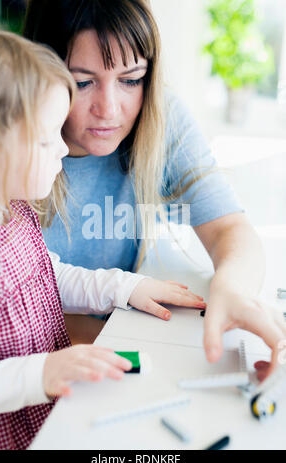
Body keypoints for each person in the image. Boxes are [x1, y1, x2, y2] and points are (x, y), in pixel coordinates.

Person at [23, 0, 286, 378]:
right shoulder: (4, 141)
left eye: (130, 79)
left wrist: (234, 292)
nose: (109, 108)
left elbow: (231, 229)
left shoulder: (161, 114)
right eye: (81, 82)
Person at [0, 29, 208, 450]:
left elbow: (49, 278)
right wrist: (43, 373)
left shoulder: (13, 213)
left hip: (46, 409)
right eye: (47, 138)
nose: (64, 151)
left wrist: (126, 287)